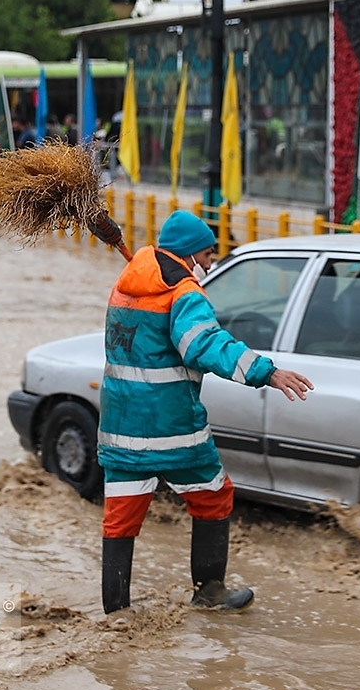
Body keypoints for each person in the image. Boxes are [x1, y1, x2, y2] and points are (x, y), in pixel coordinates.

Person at [98, 210, 314, 615]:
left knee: (120, 520)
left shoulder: (125, 288)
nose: (211, 263)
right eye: (209, 255)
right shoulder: (185, 295)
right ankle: (210, 592)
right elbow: (205, 345)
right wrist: (266, 372)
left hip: (119, 429)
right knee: (214, 498)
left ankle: (117, 612)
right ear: (192, 254)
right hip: (174, 429)